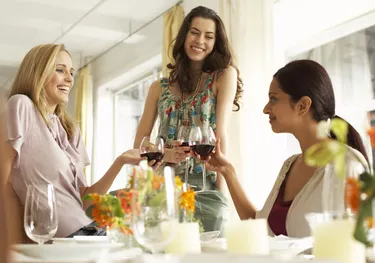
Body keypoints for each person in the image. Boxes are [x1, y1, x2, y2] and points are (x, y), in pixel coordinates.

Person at [1, 44, 160, 239]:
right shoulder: (21, 106)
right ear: (37, 73)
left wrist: (120, 161)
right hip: (59, 238)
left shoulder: (70, 131)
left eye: (71, 72)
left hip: (90, 232)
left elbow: (85, 201)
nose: (69, 79)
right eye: (60, 70)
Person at [204, 59, 369, 237]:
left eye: (273, 99)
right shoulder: (290, 165)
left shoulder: (347, 165)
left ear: (303, 106)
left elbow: (357, 244)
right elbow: (262, 230)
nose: (266, 109)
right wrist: (228, 172)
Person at [133, 6, 243, 232]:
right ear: (184, 36)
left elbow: (220, 135)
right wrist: (165, 155)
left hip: (204, 190)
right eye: (194, 32)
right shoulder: (158, 88)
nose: (200, 40)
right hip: (161, 194)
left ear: (215, 43)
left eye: (208, 36)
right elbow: (139, 145)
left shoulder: (223, 77)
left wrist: (222, 197)